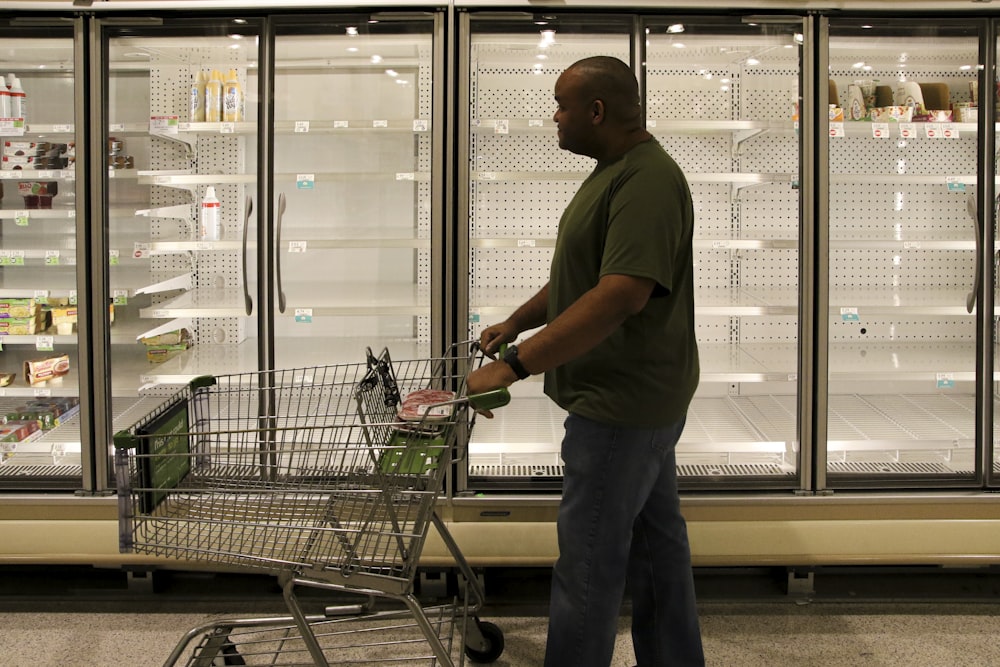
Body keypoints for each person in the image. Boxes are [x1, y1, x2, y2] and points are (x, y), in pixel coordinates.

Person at [465, 55, 704, 667]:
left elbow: (620, 293)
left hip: (621, 404)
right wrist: (517, 322)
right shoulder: (615, 170)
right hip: (635, 399)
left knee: (589, 565)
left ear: (596, 110)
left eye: (562, 105)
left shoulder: (646, 179)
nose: (555, 116)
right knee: (657, 552)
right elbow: (585, 277)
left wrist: (514, 365)